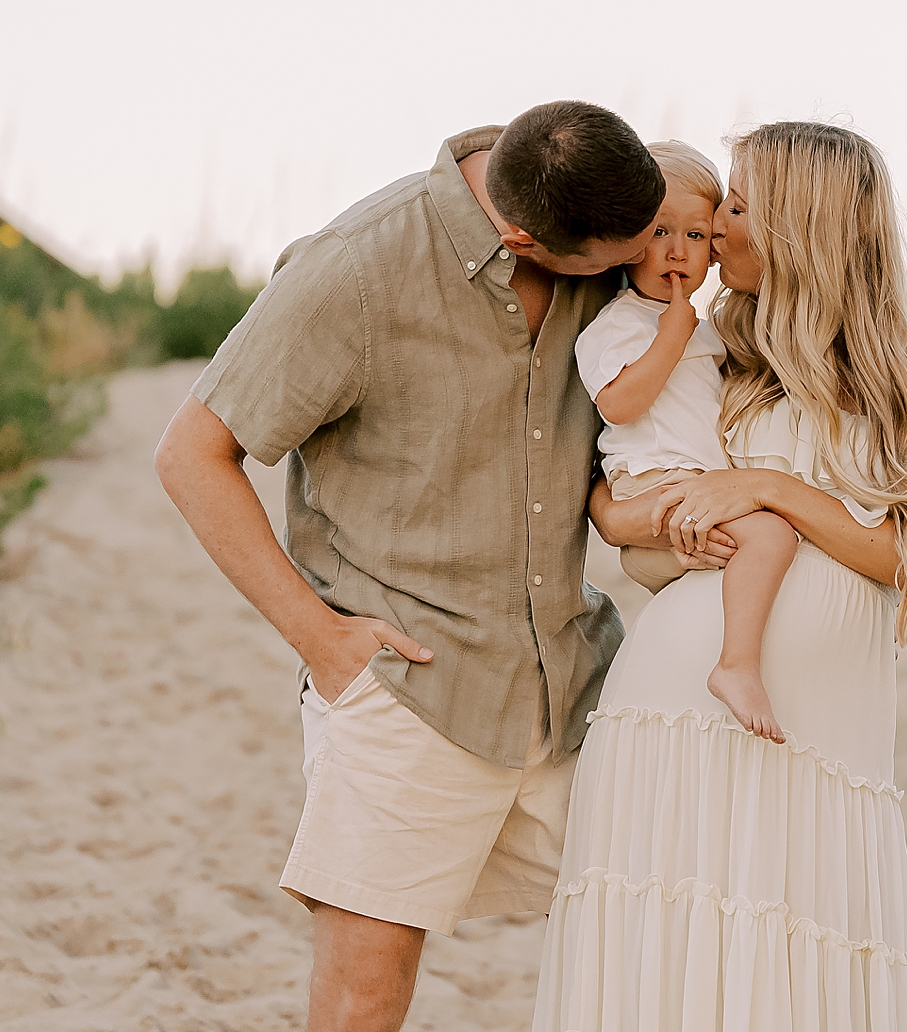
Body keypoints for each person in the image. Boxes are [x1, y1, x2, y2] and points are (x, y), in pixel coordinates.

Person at [153, 101, 664, 1032]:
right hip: (412, 689)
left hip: (580, 681)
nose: (639, 267)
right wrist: (320, 638)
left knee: (663, 938)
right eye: (615, 259)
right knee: (366, 994)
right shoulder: (353, 269)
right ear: (524, 235)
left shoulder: (595, 207)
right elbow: (191, 454)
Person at [535, 121, 907, 1031]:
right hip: (676, 709)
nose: (713, 234)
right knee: (665, 969)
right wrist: (654, 518)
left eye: (737, 210)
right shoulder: (715, 348)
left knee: (803, 966)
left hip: (818, 734)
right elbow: (616, 505)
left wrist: (773, 489)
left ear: (802, 225)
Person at [574, 140, 800, 743]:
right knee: (772, 533)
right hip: (656, 484)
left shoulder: (709, 332)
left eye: (696, 235)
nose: (677, 252)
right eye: (658, 232)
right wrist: (671, 336)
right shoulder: (618, 324)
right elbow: (619, 404)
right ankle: (736, 666)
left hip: (687, 493)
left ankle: (714, 661)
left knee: (730, 555)